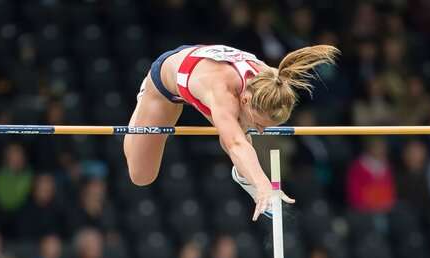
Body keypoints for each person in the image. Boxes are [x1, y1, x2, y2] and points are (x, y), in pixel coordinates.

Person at [124, 44, 340, 220]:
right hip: (166, 83)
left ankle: (243, 174)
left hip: (203, 71)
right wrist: (264, 184)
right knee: (141, 176)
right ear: (245, 100)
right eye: (260, 123)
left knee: (237, 129)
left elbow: (238, 137)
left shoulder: (272, 83)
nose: (261, 131)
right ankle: (143, 100)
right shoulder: (222, 91)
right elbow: (236, 143)